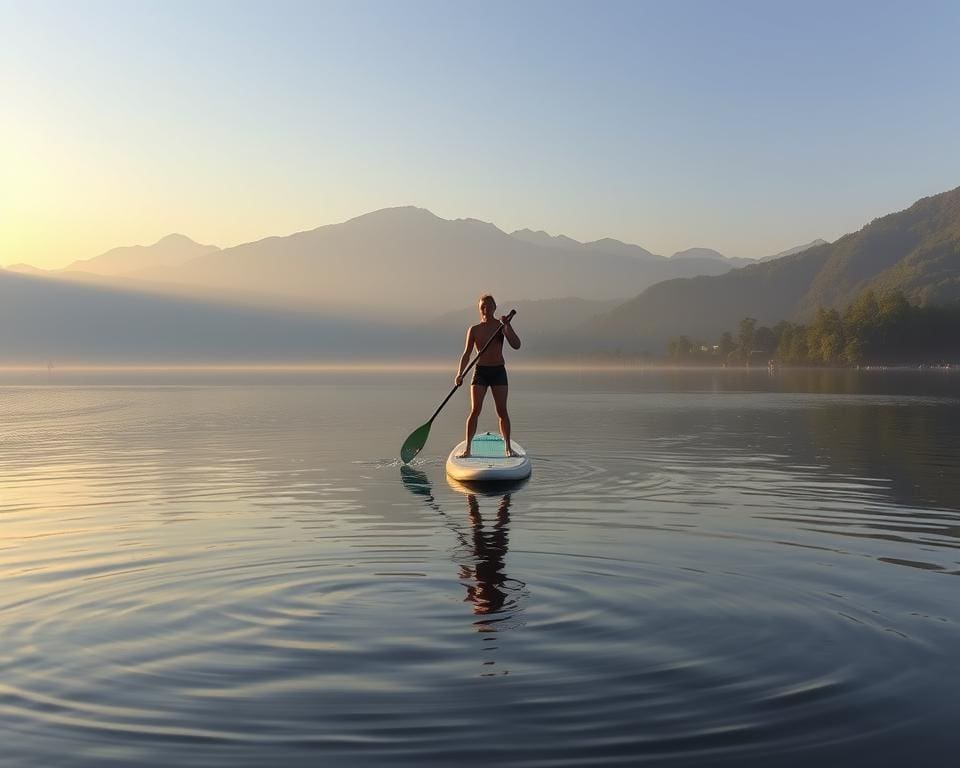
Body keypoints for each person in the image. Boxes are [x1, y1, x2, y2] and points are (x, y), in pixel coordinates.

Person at [455, 294, 521, 458]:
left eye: (489, 306)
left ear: (494, 307)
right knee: (475, 410)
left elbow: (516, 345)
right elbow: (466, 354)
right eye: (483, 306)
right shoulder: (474, 329)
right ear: (479, 309)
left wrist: (507, 326)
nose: (486, 309)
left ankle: (508, 448)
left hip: (498, 371)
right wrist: (460, 374)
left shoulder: (501, 326)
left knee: (501, 411)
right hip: (480, 372)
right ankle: (468, 449)